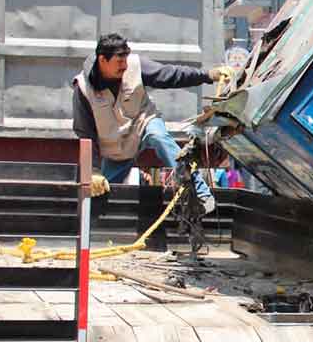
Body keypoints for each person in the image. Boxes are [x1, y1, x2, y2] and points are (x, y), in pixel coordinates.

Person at [72, 33, 232, 214]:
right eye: (119, 62)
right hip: (117, 148)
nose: (125, 66)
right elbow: (85, 134)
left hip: (143, 123)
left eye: (125, 59)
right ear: (102, 60)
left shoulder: (134, 65)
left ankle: (198, 192)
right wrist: (93, 170)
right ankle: (88, 231)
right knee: (96, 194)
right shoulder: (83, 89)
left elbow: (170, 74)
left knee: (159, 136)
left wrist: (208, 75)